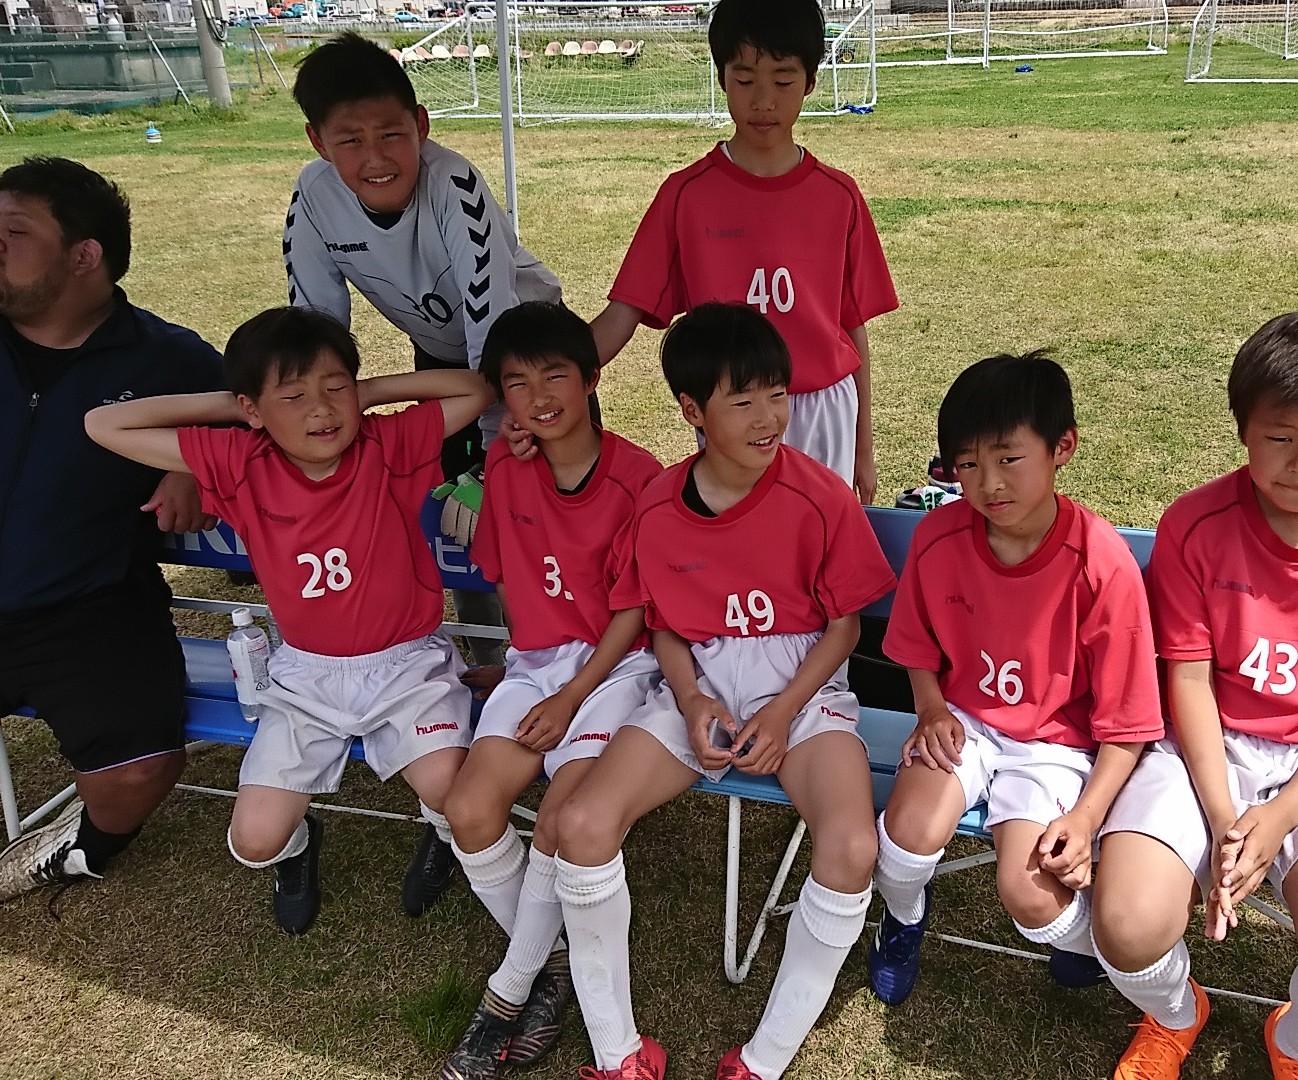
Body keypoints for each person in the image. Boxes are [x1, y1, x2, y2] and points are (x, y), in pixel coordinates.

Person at [552, 302, 895, 1080]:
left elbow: (844, 628)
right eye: (742, 401)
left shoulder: (820, 495)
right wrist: (691, 701)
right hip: (699, 681)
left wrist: (782, 712)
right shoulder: (658, 505)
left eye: (777, 394)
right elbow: (664, 626)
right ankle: (618, 1056)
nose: (768, 417)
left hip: (802, 688)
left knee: (849, 848)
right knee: (580, 823)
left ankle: (761, 1062)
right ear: (691, 410)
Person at [83, 307, 495, 935]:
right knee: (254, 841)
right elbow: (103, 423)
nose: (321, 411)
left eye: (334, 387)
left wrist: (365, 393)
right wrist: (238, 408)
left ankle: (442, 832)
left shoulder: (386, 444)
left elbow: (473, 389)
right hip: (306, 675)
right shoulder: (239, 460)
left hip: (408, 661)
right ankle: (300, 847)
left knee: (450, 791)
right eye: (294, 396)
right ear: (253, 408)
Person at [1093, 312, 1298, 1079]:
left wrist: (1277, 817)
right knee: (1127, 924)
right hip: (1199, 747)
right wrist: (1222, 817)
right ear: (1243, 428)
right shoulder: (1194, 523)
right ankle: (1175, 1012)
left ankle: (1296, 1042)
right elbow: (1187, 677)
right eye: (1278, 436)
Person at [865, 351, 1165, 1005]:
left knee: (1028, 894)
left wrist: (1086, 816)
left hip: (1055, 744)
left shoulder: (1102, 564)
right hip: (964, 721)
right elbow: (915, 646)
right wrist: (929, 707)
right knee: (903, 839)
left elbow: (1130, 723)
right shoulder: (939, 538)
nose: (988, 484)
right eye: (968, 465)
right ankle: (904, 919)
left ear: (1062, 448)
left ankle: (1083, 943)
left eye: (1008, 458)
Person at [283, 31, 558, 672]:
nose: (376, 158)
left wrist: (498, 449)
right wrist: (315, 428)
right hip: (439, 358)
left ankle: (553, 656)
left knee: (538, 505)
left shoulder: (454, 182)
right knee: (454, 509)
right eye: (350, 141)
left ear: (422, 125)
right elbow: (314, 330)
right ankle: (489, 653)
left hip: (530, 354)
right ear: (317, 141)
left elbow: (492, 321)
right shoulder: (313, 198)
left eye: (392, 134)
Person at [437, 302, 664, 1080]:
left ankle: (506, 993)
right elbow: (510, 574)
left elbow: (636, 611)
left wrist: (571, 696)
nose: (537, 397)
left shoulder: (639, 479)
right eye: (517, 382)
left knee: (560, 824)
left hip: (619, 668)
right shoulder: (507, 466)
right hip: (536, 665)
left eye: (554, 376)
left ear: (592, 378)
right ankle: (554, 958)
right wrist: (526, 667)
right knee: (468, 810)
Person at [0, 157, 223, 903]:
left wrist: (197, 467)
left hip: (86, 607)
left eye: (14, 232)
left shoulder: (167, 358)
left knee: (137, 770)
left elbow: (264, 421)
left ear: (83, 256)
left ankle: (75, 851)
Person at [587, 0, 897, 503]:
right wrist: (552, 381)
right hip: (729, 408)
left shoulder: (839, 195)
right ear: (722, 78)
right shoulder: (686, 195)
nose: (764, 101)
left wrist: (863, 447)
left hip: (823, 407)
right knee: (739, 535)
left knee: (821, 537)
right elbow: (622, 314)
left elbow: (852, 326)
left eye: (783, 79)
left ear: (811, 82)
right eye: (745, 79)